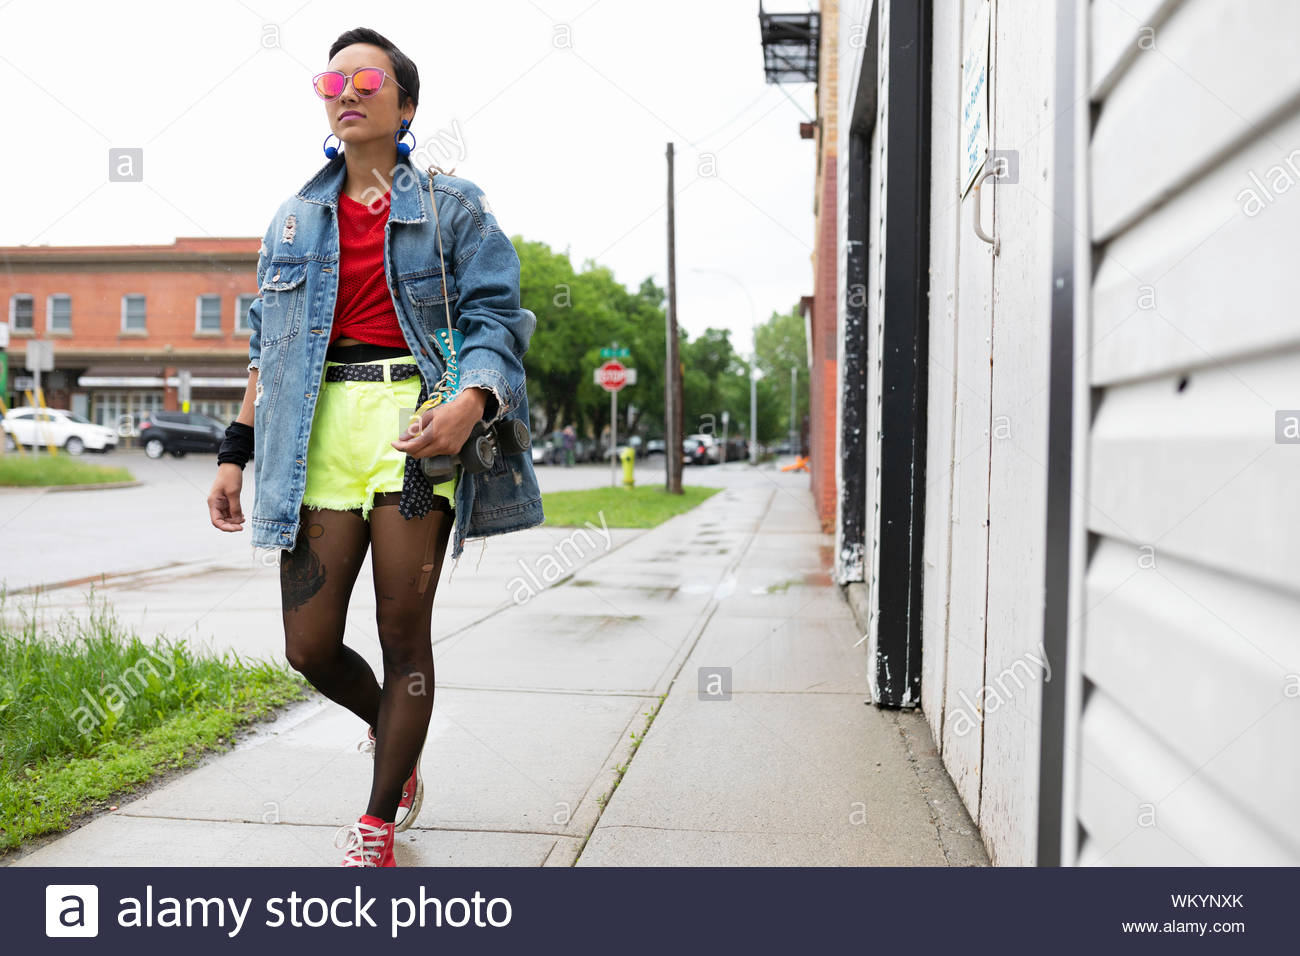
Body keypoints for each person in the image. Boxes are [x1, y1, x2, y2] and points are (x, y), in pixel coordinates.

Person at [205, 27, 544, 867]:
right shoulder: (292, 221)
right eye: (334, 79)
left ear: (405, 105)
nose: (347, 91)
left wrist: (470, 403)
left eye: (366, 79)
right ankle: (394, 734)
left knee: (402, 632)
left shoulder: (452, 206)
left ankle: (376, 822)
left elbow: (497, 317)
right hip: (314, 436)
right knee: (309, 646)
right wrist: (232, 452)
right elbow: (267, 352)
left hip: (415, 430)